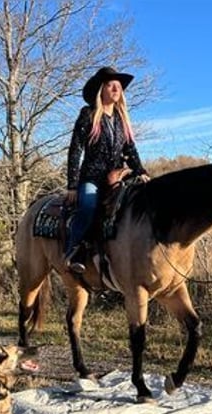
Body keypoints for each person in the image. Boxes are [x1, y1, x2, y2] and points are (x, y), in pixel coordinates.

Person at [64, 66, 150, 273]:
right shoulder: (88, 114)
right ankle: (73, 251)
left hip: (117, 177)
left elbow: (130, 149)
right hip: (92, 178)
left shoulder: (122, 120)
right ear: (101, 89)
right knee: (88, 206)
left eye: (118, 86)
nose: (115, 89)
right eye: (110, 85)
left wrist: (140, 171)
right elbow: (75, 150)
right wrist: (73, 185)